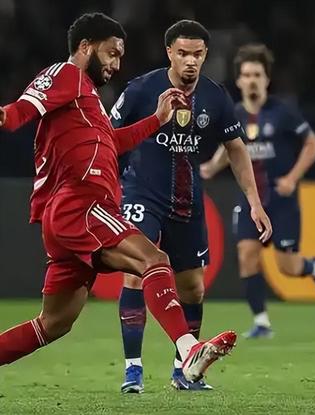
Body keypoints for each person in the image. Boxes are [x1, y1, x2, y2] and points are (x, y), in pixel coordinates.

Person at [0, 13, 240, 384]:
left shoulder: (86, 98)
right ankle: (189, 348)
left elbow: (112, 143)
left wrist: (156, 120)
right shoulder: (66, 74)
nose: (116, 64)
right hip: (81, 205)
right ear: (85, 46)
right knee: (154, 260)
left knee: (54, 323)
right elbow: (16, 114)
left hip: (67, 217)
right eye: (111, 53)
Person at [112, 21, 272, 392]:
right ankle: (132, 369)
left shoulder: (215, 97)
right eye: (183, 53)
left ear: (205, 55)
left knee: (193, 289)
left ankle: (183, 371)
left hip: (187, 201)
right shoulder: (141, 89)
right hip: (141, 194)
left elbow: (236, 148)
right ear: (169, 52)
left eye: (197, 54)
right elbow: (107, 136)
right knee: (137, 271)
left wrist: (254, 201)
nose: (190, 61)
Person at [200, 44, 315, 339]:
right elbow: (231, 148)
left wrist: (292, 178)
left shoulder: (282, 112)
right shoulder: (234, 114)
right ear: (238, 81)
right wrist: (211, 167)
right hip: (250, 200)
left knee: (288, 267)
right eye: (247, 75)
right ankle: (261, 322)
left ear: (266, 79)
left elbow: (313, 144)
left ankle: (312, 268)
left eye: (257, 75)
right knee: (247, 254)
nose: (252, 81)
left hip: (282, 200)